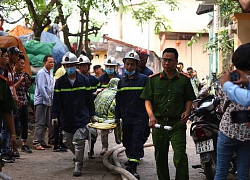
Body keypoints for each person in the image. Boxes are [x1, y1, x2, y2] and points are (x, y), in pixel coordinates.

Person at [140, 47, 196, 180]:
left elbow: (189, 98)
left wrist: (187, 111)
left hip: (177, 123)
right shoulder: (153, 80)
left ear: (176, 61)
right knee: (160, 157)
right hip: (159, 124)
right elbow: (147, 100)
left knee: (180, 156)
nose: (166, 63)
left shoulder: (184, 80)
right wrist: (151, 117)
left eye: (170, 60)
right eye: (164, 60)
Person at [51, 52, 95, 177]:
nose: (69, 67)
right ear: (64, 67)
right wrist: (54, 115)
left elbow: (89, 100)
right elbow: (56, 101)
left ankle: (78, 165)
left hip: (81, 116)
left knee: (79, 140)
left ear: (76, 65)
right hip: (67, 117)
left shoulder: (84, 81)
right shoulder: (60, 82)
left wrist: (92, 114)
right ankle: (78, 156)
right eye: (67, 65)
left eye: (71, 65)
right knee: (68, 141)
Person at [216, 43, 250, 180]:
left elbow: (222, 102)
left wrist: (227, 84)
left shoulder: (228, 80)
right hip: (247, 135)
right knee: (243, 174)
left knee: (221, 173)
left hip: (227, 130)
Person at [115, 50, 148, 179]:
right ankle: (131, 158)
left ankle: (133, 168)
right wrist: (117, 117)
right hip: (126, 117)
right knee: (127, 141)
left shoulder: (144, 80)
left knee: (136, 140)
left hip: (140, 117)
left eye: (132, 64)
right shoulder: (121, 82)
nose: (129, 67)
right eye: (127, 64)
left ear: (137, 66)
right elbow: (119, 100)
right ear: (124, 64)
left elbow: (149, 99)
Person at [98, 56, 122, 155]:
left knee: (118, 124)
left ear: (115, 67)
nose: (109, 68)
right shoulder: (101, 79)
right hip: (105, 108)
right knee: (104, 128)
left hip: (116, 106)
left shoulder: (120, 79)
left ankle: (118, 138)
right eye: (107, 66)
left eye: (111, 66)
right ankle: (104, 146)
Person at [1, 46, 21, 162]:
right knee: (5, 127)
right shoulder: (4, 71)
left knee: (8, 126)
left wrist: (15, 97)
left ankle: (7, 149)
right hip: (5, 102)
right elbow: (8, 87)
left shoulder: (10, 70)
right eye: (16, 55)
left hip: (9, 101)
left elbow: (11, 86)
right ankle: (4, 151)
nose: (17, 58)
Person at [77, 54, 99, 158]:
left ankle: (91, 149)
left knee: (92, 133)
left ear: (88, 67)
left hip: (91, 109)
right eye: (80, 66)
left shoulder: (94, 80)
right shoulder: (75, 80)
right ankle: (78, 154)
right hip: (80, 110)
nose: (82, 68)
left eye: (84, 66)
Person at [33, 55, 54, 150]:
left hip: (48, 100)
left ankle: (42, 141)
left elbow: (51, 87)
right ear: (44, 62)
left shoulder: (50, 73)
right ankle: (36, 142)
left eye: (53, 62)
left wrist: (51, 98)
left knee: (46, 122)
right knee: (40, 122)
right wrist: (47, 98)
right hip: (41, 100)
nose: (52, 64)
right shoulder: (41, 73)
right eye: (50, 62)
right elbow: (41, 87)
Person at [13, 54, 32, 153]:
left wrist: (27, 83)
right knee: (15, 124)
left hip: (24, 102)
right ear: (16, 63)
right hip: (15, 103)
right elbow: (13, 88)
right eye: (21, 63)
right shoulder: (12, 74)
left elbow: (24, 90)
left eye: (24, 64)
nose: (22, 65)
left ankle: (24, 144)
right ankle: (13, 144)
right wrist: (21, 81)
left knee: (25, 123)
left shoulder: (23, 75)